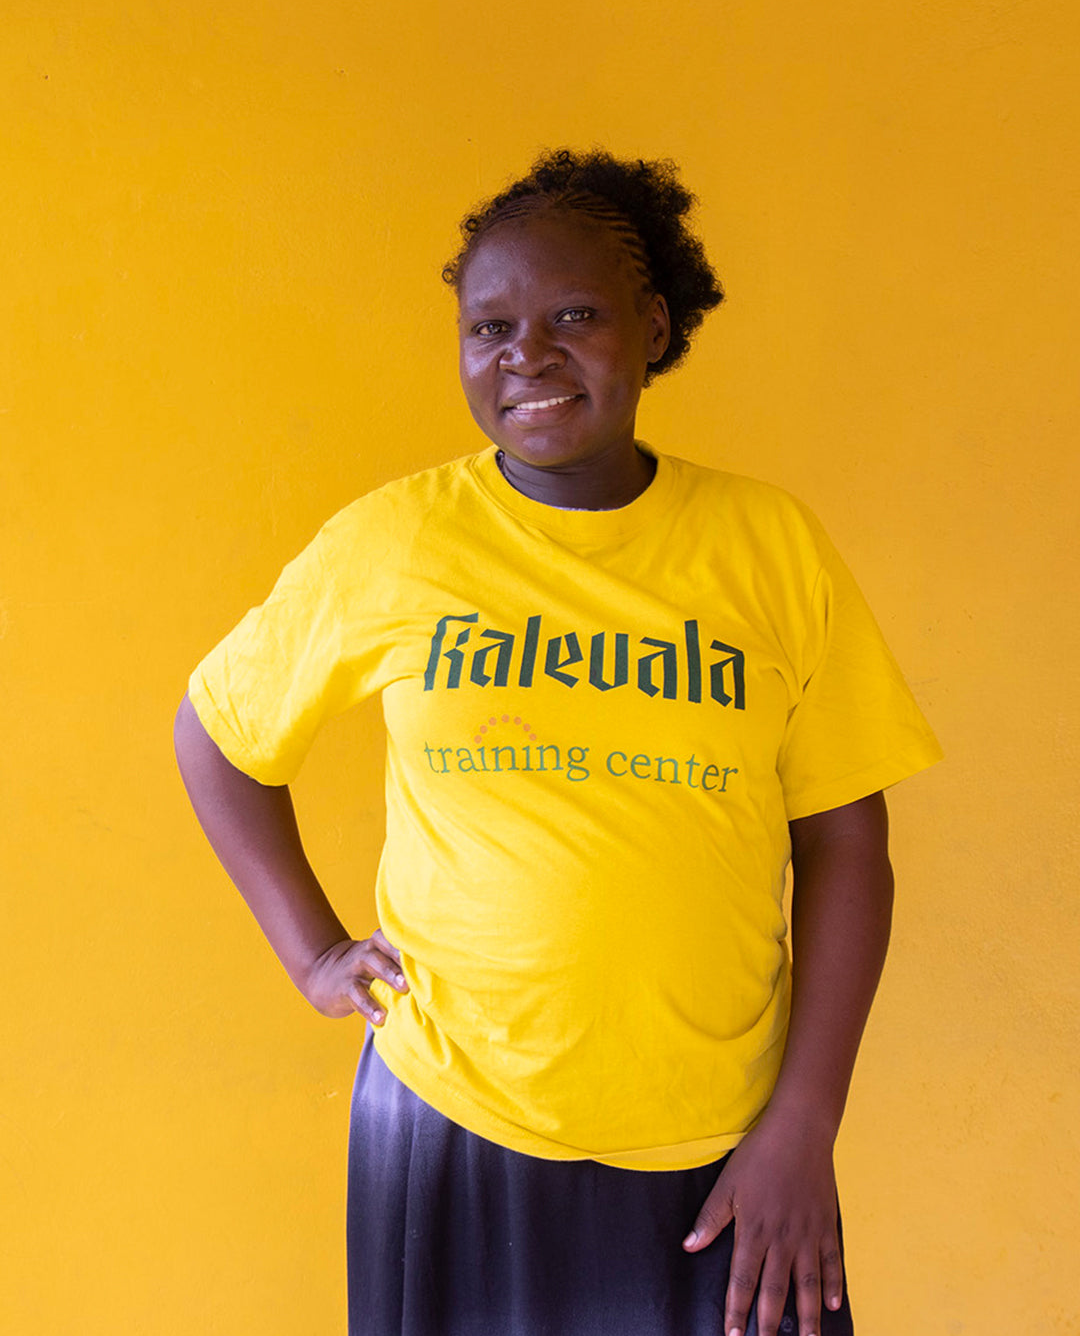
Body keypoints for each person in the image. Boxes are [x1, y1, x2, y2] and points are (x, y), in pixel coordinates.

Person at [174, 148, 941, 1336]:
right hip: (452, 1119)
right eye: (490, 328)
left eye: (573, 316)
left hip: (724, 1143)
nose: (525, 355)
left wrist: (805, 1123)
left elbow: (846, 844)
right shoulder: (398, 542)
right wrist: (314, 952)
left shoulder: (769, 547)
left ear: (654, 327)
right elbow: (219, 736)